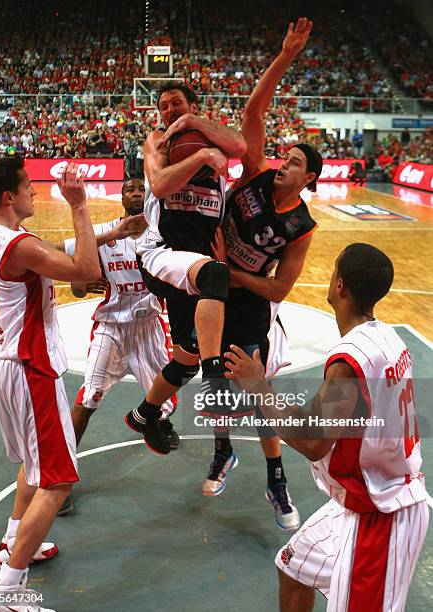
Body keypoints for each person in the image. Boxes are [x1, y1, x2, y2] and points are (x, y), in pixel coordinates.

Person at [224, 243, 429, 612]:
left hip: (381, 516)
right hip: (361, 499)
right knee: (295, 567)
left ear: (339, 285)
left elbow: (314, 441)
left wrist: (257, 386)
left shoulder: (350, 360)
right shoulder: (387, 338)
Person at [201, 18, 320, 532]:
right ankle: (223, 452)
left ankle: (277, 480)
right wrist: (286, 55)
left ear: (308, 178)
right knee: (213, 379)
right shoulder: (254, 173)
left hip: (246, 297)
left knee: (256, 389)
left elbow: (278, 288)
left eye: (293, 162)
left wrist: (232, 270)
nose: (283, 163)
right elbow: (254, 109)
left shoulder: (301, 226)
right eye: (284, 156)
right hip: (209, 279)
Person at [0, 158, 101, 611]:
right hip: (32, 371)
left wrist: (112, 232)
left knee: (34, 462)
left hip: (7, 364)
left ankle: (12, 541)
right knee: (58, 480)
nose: (35, 193)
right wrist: (81, 206)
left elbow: (50, 250)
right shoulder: (20, 246)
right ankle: (6, 593)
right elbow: (85, 269)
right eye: (29, 187)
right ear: (9, 197)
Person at [125, 82, 247, 454]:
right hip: (162, 253)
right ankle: (216, 385)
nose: (169, 110)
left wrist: (200, 131)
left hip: (192, 263)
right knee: (216, 275)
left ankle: (144, 415)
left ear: (193, 106)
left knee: (185, 358)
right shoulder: (158, 141)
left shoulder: (216, 140)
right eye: (163, 105)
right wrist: (200, 158)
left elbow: (240, 146)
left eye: (177, 103)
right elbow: (160, 185)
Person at [56, 179, 180, 516]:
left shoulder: (164, 234)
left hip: (149, 328)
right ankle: (60, 479)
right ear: (121, 197)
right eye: (130, 189)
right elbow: (77, 286)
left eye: (141, 189)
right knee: (88, 396)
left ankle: (157, 420)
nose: (136, 193)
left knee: (166, 400)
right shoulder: (105, 233)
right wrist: (83, 281)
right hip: (111, 328)